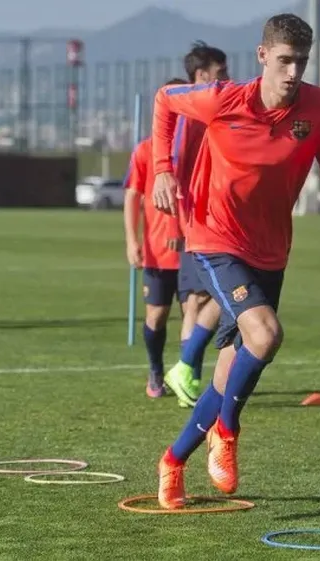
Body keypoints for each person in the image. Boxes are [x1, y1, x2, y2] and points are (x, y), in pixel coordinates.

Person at [149, 13, 320, 509]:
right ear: (263, 56)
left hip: (271, 250)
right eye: (285, 60)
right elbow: (164, 99)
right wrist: (162, 169)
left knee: (228, 375)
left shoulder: (319, 106)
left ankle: (173, 461)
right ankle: (227, 431)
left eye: (301, 62)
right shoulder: (222, 99)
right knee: (265, 335)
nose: (293, 72)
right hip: (215, 239)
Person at [162, 42, 229, 408]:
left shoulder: (211, 112)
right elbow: (174, 170)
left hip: (208, 219)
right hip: (201, 222)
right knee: (222, 295)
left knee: (198, 302)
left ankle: (188, 377)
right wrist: (178, 224)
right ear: (201, 76)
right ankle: (187, 372)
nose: (228, 79)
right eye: (221, 73)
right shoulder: (190, 116)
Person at [124, 78, 189, 399]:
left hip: (194, 250)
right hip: (157, 251)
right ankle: (155, 371)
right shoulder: (146, 150)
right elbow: (133, 195)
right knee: (157, 315)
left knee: (194, 317)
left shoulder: (198, 147)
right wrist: (131, 240)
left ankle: (188, 374)